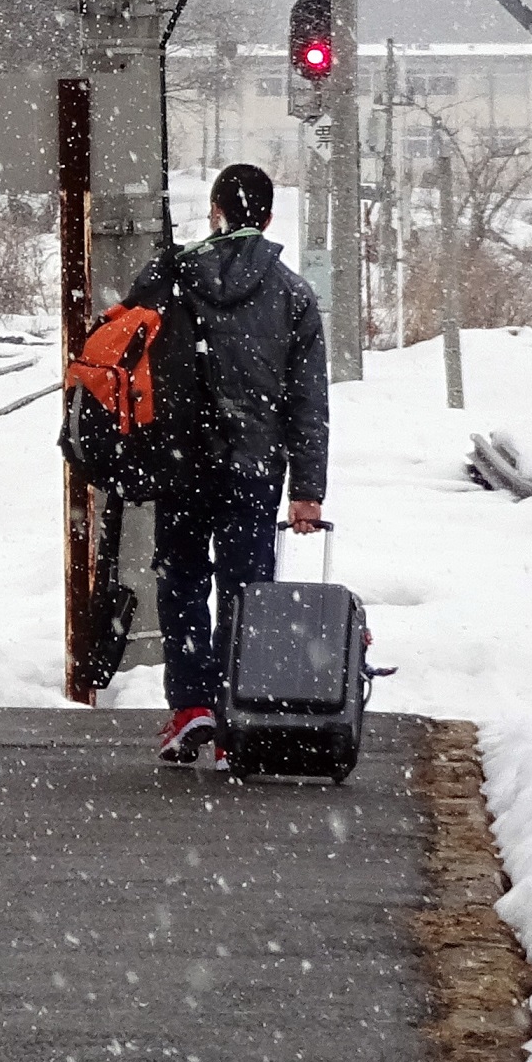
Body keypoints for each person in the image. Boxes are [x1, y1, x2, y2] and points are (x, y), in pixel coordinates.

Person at [138, 161, 331, 766]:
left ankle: (190, 707)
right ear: (269, 217)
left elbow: (128, 349)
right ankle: (235, 715)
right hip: (254, 463)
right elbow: (308, 401)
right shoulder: (293, 293)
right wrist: (307, 487)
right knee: (246, 588)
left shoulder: (172, 276)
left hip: (182, 458)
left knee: (183, 579)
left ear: (215, 213)